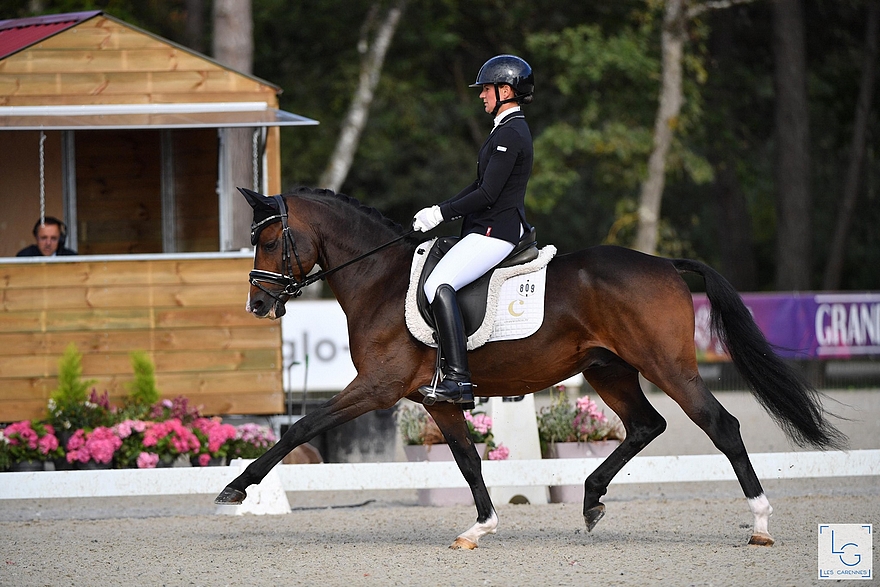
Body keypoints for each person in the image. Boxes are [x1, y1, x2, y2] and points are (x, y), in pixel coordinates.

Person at [412, 54, 535, 406]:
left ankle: (458, 380)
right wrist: (439, 209)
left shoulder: (510, 134)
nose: (481, 95)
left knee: (438, 284)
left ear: (506, 90)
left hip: (496, 233)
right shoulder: (504, 130)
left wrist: (442, 214)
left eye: (486, 89)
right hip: (485, 228)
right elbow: (478, 184)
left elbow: (487, 194)